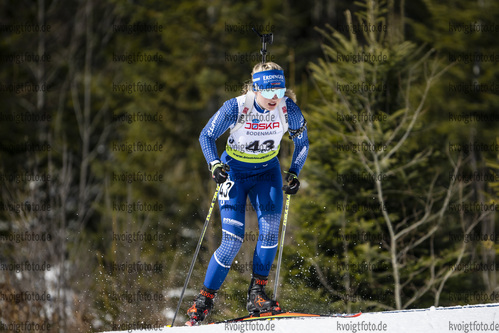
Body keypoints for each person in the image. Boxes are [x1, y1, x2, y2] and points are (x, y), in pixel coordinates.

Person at [187, 61, 309, 325]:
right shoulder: (236, 106)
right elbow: (206, 136)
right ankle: (204, 301)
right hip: (235, 174)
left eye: (280, 91)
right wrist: (215, 164)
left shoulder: (289, 110)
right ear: (256, 88)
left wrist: (295, 171)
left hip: (267, 173)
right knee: (232, 240)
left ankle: (257, 294)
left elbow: (303, 143)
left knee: (270, 230)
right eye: (270, 93)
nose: (276, 99)